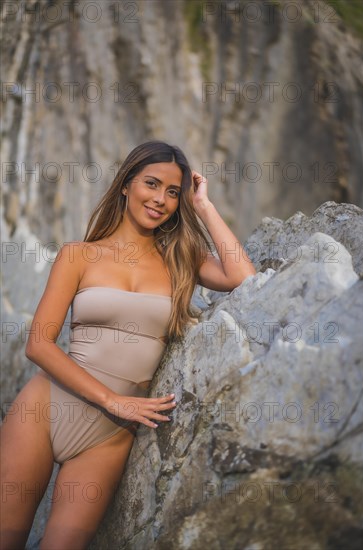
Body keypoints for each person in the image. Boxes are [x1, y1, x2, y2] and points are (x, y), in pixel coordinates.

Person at [0, 140, 256, 550]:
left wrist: (204, 206)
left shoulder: (180, 258)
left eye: (173, 192)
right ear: (125, 184)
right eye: (151, 184)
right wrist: (111, 399)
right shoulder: (78, 255)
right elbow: (39, 345)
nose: (160, 200)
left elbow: (244, 277)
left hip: (108, 436)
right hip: (45, 412)